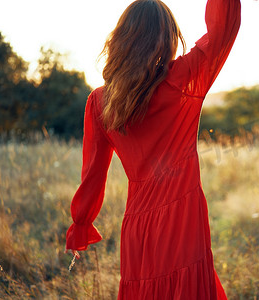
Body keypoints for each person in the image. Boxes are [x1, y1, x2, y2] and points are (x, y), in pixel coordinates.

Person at [65, 0, 241, 298]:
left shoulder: (100, 102)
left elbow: (92, 173)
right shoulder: (183, 78)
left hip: (139, 225)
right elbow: (222, 30)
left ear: (122, 38)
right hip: (182, 218)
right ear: (168, 38)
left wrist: (82, 221)